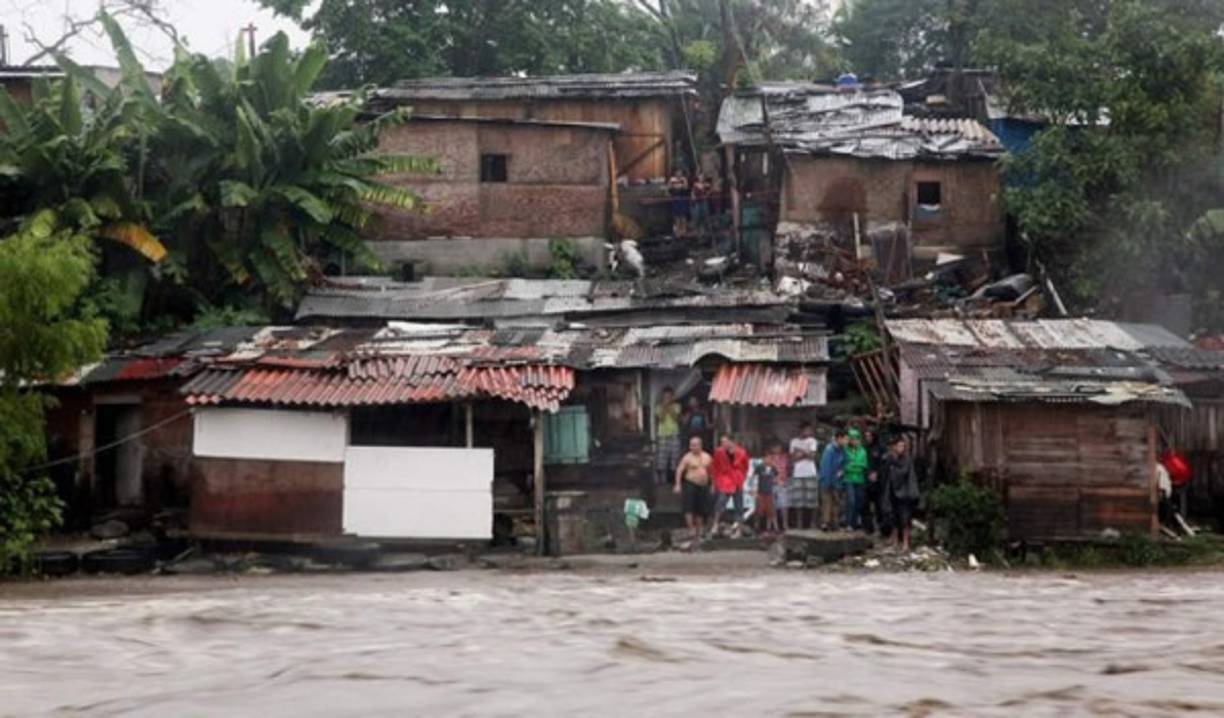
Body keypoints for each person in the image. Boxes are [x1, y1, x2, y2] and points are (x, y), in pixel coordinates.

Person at [881, 435, 920, 552]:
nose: (901, 448)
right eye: (899, 446)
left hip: (905, 493)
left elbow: (904, 472)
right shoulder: (890, 458)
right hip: (892, 492)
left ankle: (906, 543)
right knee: (894, 518)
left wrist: (894, 468)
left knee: (905, 519)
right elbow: (885, 472)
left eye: (903, 446)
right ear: (894, 447)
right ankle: (894, 541)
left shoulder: (907, 459)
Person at [674, 436, 713, 549]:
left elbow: (711, 472)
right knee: (688, 507)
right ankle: (691, 528)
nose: (693, 447)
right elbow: (679, 470)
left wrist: (713, 485)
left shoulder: (707, 457)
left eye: (695, 445)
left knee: (700, 509)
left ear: (700, 445)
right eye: (691, 445)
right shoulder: (687, 457)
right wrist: (678, 484)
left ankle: (699, 531)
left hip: (703, 485)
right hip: (691, 483)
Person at [710, 434, 750, 538]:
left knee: (739, 506)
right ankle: (715, 524)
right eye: (721, 442)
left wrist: (742, 477)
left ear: (731, 442)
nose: (723, 444)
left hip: (737, 481)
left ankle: (739, 529)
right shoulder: (719, 452)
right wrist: (716, 482)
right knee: (720, 503)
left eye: (725, 441)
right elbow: (714, 467)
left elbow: (745, 467)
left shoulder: (741, 452)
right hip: (725, 481)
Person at [788, 422, 820, 529]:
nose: (809, 432)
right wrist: (806, 453)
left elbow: (812, 456)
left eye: (810, 430)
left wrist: (800, 452)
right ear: (801, 430)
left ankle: (812, 523)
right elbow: (793, 459)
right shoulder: (794, 441)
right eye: (807, 429)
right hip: (797, 473)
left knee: (812, 500)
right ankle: (799, 523)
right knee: (798, 500)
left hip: (810, 473)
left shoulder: (812, 441)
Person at [862, 429, 890, 536]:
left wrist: (877, 473)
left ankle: (883, 528)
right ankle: (868, 527)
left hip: (879, 482)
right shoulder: (864, 448)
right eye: (866, 436)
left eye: (870, 436)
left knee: (880, 506)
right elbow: (863, 462)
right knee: (865, 505)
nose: (868, 438)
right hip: (867, 480)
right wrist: (869, 473)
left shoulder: (881, 448)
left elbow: (884, 464)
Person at [818, 430, 848, 531]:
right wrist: (827, 482)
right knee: (827, 502)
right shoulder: (829, 450)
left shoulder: (842, 450)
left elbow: (845, 463)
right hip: (828, 480)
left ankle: (835, 523)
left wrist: (842, 471)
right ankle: (825, 523)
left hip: (837, 480)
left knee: (836, 503)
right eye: (845, 439)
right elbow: (826, 467)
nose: (846, 441)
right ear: (839, 438)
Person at [654, 387, 682, 487]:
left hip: (674, 434)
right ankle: (663, 480)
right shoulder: (658, 407)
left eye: (669, 396)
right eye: (665, 396)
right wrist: (664, 407)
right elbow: (660, 419)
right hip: (662, 434)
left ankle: (675, 480)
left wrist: (669, 407)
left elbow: (675, 418)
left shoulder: (677, 406)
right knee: (662, 457)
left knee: (675, 457)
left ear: (672, 397)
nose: (667, 398)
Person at [752, 444, 781, 536]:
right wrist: (754, 490)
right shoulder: (759, 467)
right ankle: (756, 528)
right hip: (761, 492)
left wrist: (777, 482)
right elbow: (754, 478)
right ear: (763, 458)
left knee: (771, 511)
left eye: (770, 458)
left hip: (770, 492)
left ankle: (772, 528)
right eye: (766, 458)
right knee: (759, 511)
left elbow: (777, 478)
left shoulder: (773, 468)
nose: (768, 460)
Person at [843, 429, 869, 531]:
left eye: (856, 439)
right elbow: (845, 465)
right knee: (851, 501)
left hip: (860, 479)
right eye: (852, 439)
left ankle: (855, 522)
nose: (854, 441)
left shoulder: (863, 451)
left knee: (859, 501)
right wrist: (854, 466)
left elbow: (863, 465)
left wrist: (853, 465)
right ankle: (848, 523)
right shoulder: (845, 450)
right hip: (849, 479)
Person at [764, 440, 790, 532]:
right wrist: (774, 480)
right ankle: (774, 526)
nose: (776, 449)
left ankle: (785, 525)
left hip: (783, 483)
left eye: (778, 447)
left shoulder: (785, 457)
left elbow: (787, 470)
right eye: (774, 447)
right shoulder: (768, 458)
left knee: (784, 506)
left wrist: (782, 480)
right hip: (771, 484)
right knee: (772, 507)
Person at [667, 171, 690, 237]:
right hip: (675, 199)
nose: (678, 174)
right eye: (677, 173)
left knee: (683, 215)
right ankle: (678, 231)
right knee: (677, 216)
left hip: (682, 199)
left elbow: (685, 187)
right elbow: (669, 188)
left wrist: (682, 182)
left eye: (680, 173)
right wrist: (672, 184)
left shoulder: (683, 179)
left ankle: (684, 231)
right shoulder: (672, 180)